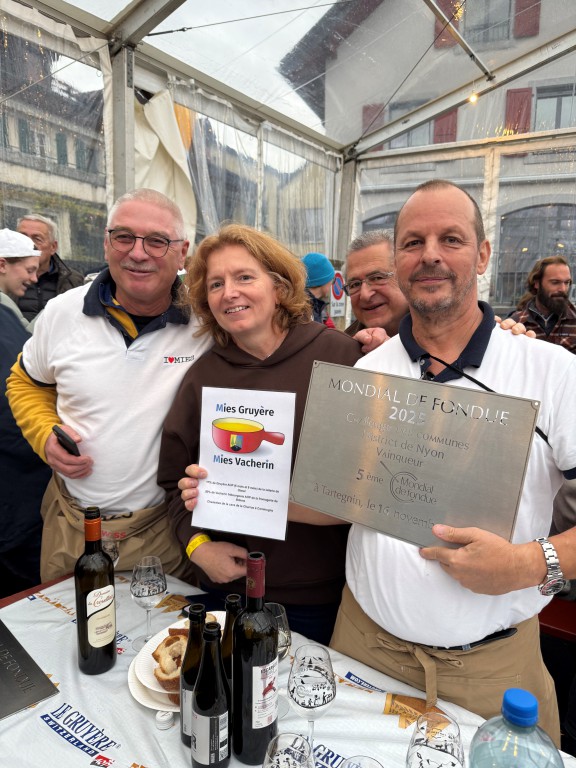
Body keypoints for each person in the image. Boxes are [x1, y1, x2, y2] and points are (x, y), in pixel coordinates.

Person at [329, 180, 576, 746]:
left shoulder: (553, 372)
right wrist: (226, 486)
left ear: (483, 254)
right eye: (413, 242)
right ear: (397, 261)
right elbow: (337, 495)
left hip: (492, 674)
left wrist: (528, 562)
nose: (430, 255)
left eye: (452, 239)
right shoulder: (367, 372)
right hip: (362, 648)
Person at [158, 224, 362, 644]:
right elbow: (173, 482)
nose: (229, 292)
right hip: (227, 588)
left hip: (317, 596)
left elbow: (368, 479)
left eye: (244, 277)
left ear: (279, 286)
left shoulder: (340, 356)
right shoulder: (202, 376)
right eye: (216, 284)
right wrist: (198, 547)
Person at [6, 188, 212, 582]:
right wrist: (44, 435)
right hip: (71, 525)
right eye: (124, 237)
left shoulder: (207, 323)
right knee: (66, 621)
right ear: (106, 243)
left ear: (182, 252)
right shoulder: (62, 312)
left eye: (157, 241)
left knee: (156, 623)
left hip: (162, 532)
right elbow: (26, 381)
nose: (138, 253)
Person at [0, 303, 51, 596]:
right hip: (25, 505)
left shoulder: (5, 315)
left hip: (22, 504)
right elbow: (22, 382)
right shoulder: (6, 314)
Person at [17, 214, 84, 321]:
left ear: (53, 247)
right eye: (22, 238)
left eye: (37, 239)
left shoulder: (73, 281)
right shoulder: (4, 276)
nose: (28, 244)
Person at [343, 229, 409, 338]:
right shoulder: (342, 346)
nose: (365, 295)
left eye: (377, 278)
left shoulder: (438, 340)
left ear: (406, 276)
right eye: (355, 285)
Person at [509, 255, 576, 354]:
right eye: (555, 282)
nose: (563, 289)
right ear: (536, 283)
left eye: (567, 283)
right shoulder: (516, 323)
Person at [0, 229, 40, 331]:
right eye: (30, 270)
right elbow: (24, 339)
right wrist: (53, 310)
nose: (35, 279)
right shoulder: (3, 303)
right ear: (2, 265)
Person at [302, 251, 336, 327]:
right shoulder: (306, 312)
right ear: (323, 280)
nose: (332, 284)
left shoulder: (314, 307)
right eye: (332, 279)